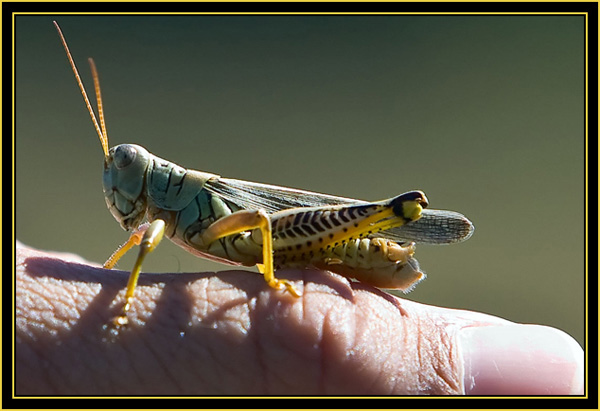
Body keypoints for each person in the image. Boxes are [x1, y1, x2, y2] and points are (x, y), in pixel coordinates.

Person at [15, 242, 584, 395]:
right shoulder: (153, 223)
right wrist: (100, 278)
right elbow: (142, 239)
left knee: (262, 223)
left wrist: (270, 283)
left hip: (294, 232)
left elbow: (260, 224)